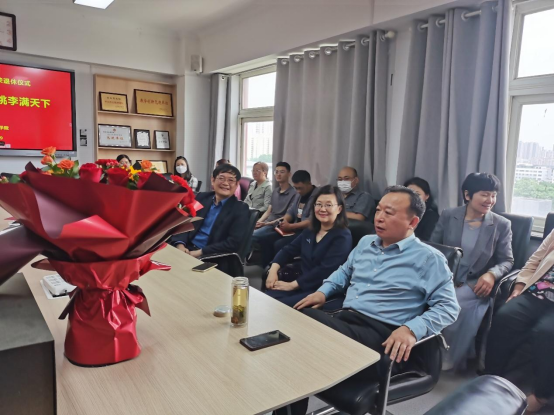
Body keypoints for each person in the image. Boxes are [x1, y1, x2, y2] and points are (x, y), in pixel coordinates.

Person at [275, 186, 460, 415]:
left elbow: (449, 307)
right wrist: (323, 292)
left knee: (303, 324)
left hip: (384, 338)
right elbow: (344, 272)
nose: (379, 217)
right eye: (378, 210)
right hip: (347, 322)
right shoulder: (366, 243)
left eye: (388, 213)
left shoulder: (429, 259)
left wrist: (411, 330)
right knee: (296, 346)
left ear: (412, 222)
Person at [431, 173, 514, 372]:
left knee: (454, 303)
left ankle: (447, 356)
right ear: (467, 195)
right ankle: (421, 351)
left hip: (474, 283)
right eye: (484, 194)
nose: (490, 200)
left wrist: (491, 274)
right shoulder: (449, 215)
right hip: (444, 277)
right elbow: (433, 247)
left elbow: (507, 260)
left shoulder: (501, 224)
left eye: (493, 195)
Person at [486, 230, 554, 414]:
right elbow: (533, 262)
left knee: (547, 333)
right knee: (505, 316)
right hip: (537, 293)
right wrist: (519, 287)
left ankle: (541, 395)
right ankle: (491, 376)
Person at [264, 185, 352, 307]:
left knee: (276, 306)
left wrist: (293, 285)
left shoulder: (342, 236)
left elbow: (325, 270)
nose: (322, 209)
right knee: (265, 298)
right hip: (301, 283)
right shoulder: (311, 230)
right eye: (319, 204)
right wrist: (273, 270)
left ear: (339, 209)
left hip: (320, 290)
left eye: (328, 205)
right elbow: (288, 250)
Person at [170, 164, 249, 274]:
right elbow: (184, 222)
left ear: (236, 185)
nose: (226, 183)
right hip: (186, 248)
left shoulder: (240, 209)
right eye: (221, 178)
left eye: (231, 180)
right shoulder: (202, 198)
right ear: (213, 180)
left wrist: (199, 253)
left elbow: (233, 243)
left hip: (212, 257)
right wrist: (180, 244)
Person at [254, 170, 317, 267]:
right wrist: (285, 221)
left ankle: (279, 270)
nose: (298, 191)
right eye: (296, 188)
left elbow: (311, 221)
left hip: (306, 232)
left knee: (279, 244)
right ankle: (267, 268)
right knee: (265, 239)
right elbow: (291, 212)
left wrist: (291, 226)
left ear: (309, 183)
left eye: (300, 188)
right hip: (293, 229)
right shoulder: (298, 195)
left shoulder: (317, 196)